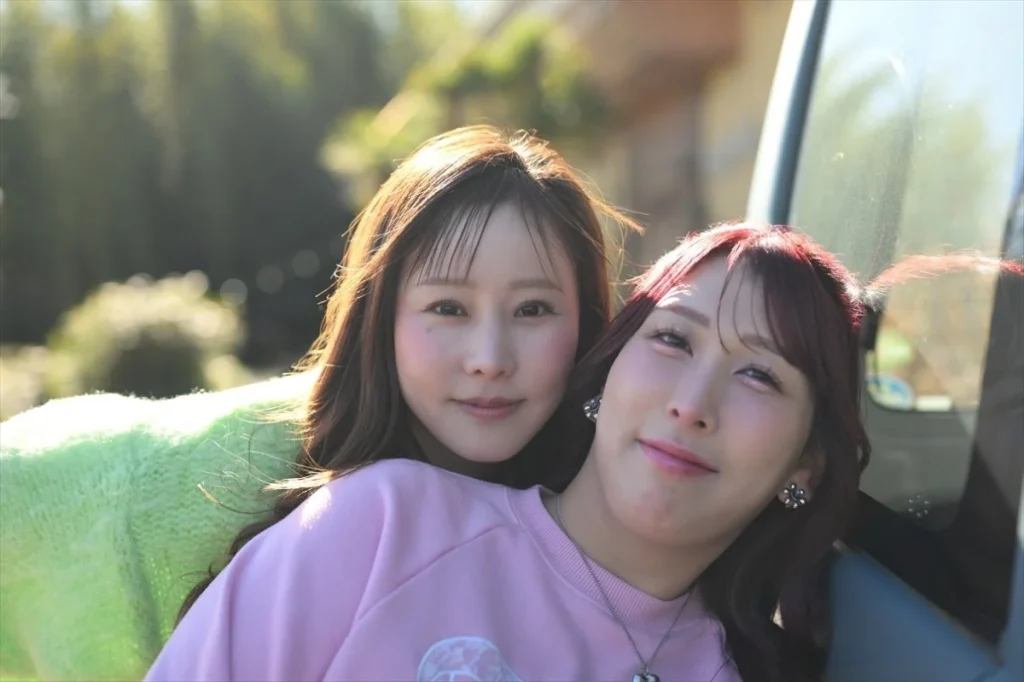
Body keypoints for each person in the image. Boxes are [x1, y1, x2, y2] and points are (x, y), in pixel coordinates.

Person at [0, 125, 637, 681]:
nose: (489, 357)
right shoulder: (258, 485)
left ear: (587, 323)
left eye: (533, 309)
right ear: (379, 317)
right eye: (448, 307)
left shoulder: (618, 529)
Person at [143, 222, 877, 682]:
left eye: (760, 376)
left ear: (806, 466)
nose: (691, 403)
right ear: (605, 375)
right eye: (672, 340)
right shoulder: (383, 525)